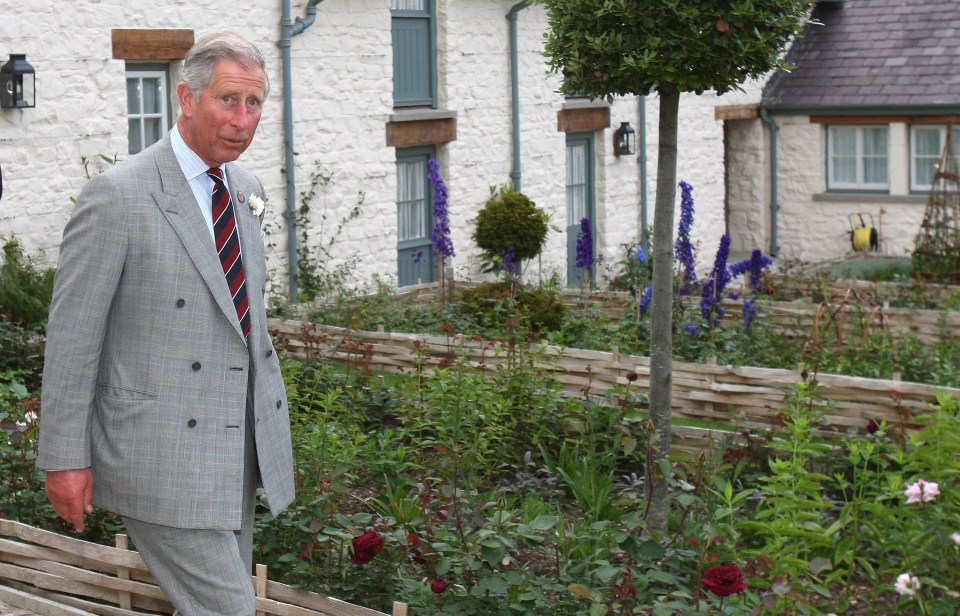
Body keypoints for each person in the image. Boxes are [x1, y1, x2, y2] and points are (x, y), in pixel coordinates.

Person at [38, 30, 294, 615]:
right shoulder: (119, 196)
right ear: (185, 97)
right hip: (160, 455)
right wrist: (64, 458)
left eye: (254, 103)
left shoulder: (246, 189)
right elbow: (73, 340)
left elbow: (239, 324)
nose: (243, 119)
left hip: (238, 449)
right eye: (228, 100)